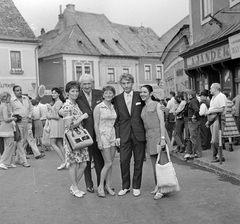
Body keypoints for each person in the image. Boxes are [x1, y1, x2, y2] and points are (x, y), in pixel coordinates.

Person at [113, 73, 145, 197]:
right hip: (124, 134)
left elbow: (151, 103)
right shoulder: (117, 99)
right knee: (123, 161)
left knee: (138, 161)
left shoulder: (140, 95)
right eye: (124, 83)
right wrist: (117, 136)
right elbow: (116, 120)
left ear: (132, 83)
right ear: (121, 85)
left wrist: (162, 108)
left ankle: (136, 186)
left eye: (128, 83)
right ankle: (125, 186)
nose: (126, 86)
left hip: (138, 133)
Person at [140, 85, 174, 200]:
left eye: (145, 92)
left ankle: (162, 189)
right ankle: (158, 185)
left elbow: (162, 122)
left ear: (150, 93)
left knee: (161, 163)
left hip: (158, 136)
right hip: (149, 137)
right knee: (154, 164)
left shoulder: (157, 104)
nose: (142, 94)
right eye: (141, 92)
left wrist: (163, 138)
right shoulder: (144, 108)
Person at [76, 74, 104, 193]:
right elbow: (67, 107)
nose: (87, 86)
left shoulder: (99, 93)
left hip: (99, 132)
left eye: (89, 83)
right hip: (85, 133)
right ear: (81, 85)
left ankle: (100, 183)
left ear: (92, 83)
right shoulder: (77, 95)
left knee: (99, 159)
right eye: (84, 84)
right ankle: (89, 184)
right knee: (87, 159)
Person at [62, 81, 89, 198]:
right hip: (71, 137)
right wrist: (82, 117)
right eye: (72, 91)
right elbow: (69, 125)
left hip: (80, 137)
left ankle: (74, 186)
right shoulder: (67, 105)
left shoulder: (75, 104)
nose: (75, 93)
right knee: (73, 164)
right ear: (67, 93)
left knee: (83, 164)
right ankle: (75, 187)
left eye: (77, 91)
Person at [93, 86, 117, 197]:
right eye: (106, 93)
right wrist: (99, 140)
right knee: (108, 163)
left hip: (112, 136)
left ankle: (108, 185)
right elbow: (96, 124)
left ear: (113, 95)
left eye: (110, 93)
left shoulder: (113, 107)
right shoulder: (98, 107)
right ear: (103, 95)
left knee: (111, 163)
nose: (108, 95)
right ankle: (100, 186)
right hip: (103, 136)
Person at [206, 83, 227, 162]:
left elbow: (222, 109)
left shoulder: (221, 96)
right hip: (213, 119)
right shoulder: (213, 97)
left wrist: (210, 111)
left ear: (215, 88)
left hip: (218, 118)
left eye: (211, 88)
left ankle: (220, 155)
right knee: (214, 139)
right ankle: (217, 155)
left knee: (216, 139)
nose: (210, 90)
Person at [47, 87, 65, 170]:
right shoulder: (58, 102)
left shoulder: (58, 103)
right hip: (58, 123)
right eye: (52, 93)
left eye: (55, 93)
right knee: (59, 143)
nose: (53, 94)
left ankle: (63, 161)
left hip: (56, 123)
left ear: (58, 94)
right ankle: (66, 161)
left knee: (52, 143)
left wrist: (50, 116)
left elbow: (57, 116)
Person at [0, 92, 17, 170]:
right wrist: (13, 118)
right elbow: (6, 119)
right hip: (6, 127)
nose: (10, 99)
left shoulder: (3, 106)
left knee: (9, 145)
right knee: (9, 145)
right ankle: (3, 162)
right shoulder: (4, 107)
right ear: (5, 98)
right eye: (9, 98)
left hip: (5, 127)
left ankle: (8, 162)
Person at [184, 89, 202, 159]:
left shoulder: (192, 101)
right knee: (193, 136)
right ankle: (191, 152)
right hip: (194, 121)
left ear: (190, 95)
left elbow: (196, 109)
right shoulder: (195, 100)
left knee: (192, 137)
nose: (187, 96)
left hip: (193, 121)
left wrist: (193, 116)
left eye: (188, 94)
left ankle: (195, 153)